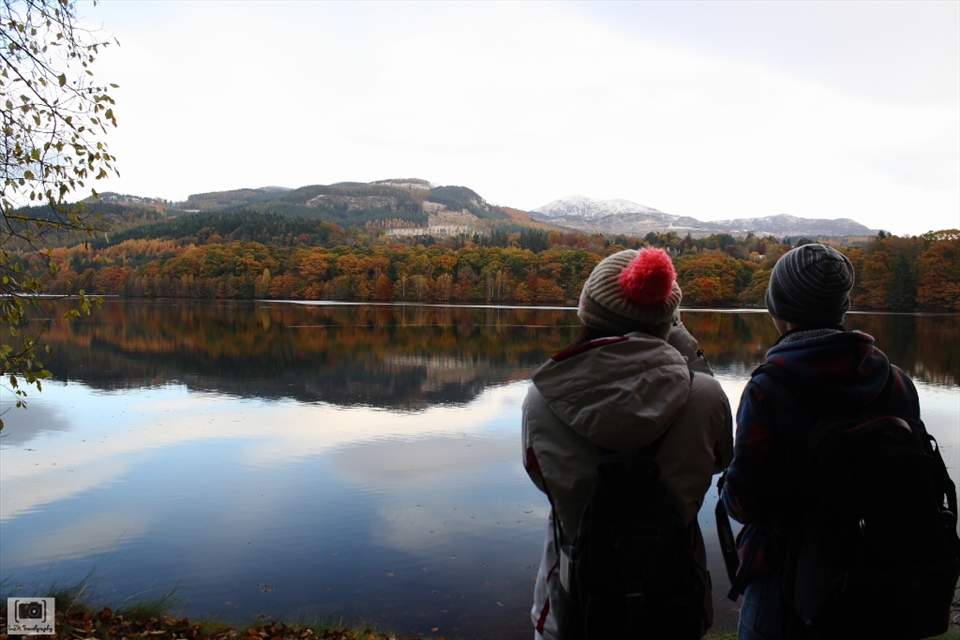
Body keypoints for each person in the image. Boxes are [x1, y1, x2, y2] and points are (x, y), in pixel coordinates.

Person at [522, 247, 733, 640]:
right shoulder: (706, 396)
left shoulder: (542, 398)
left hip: (572, 601)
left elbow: (540, 476)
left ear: (588, 314)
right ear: (669, 323)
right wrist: (688, 350)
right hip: (673, 601)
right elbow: (719, 461)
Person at [720, 243, 922, 639]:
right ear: (842, 307)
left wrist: (726, 484)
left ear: (774, 307)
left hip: (788, 583)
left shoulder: (769, 389)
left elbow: (747, 502)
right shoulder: (895, 380)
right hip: (878, 570)